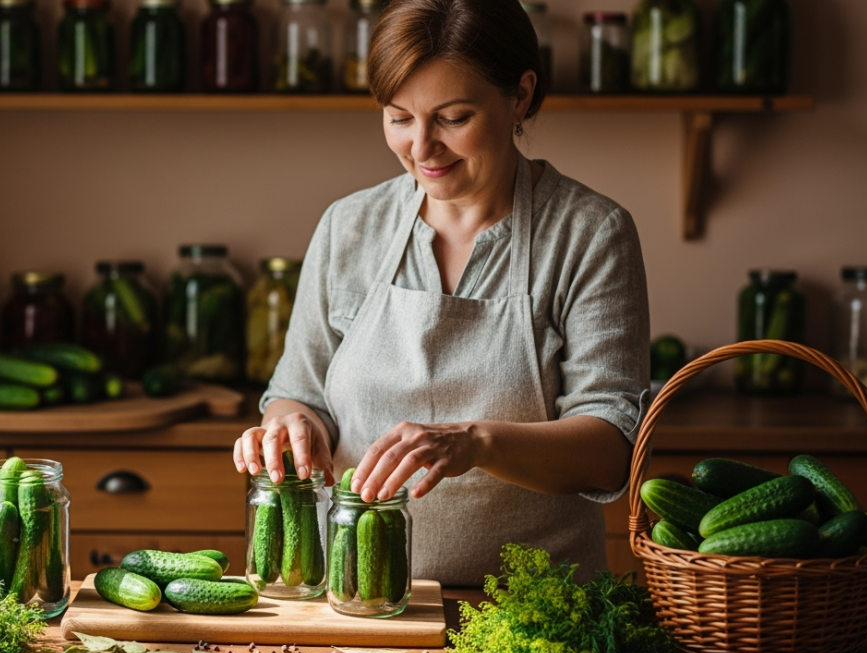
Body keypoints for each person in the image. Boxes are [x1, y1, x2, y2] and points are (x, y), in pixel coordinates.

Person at [232, 0, 649, 585]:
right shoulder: (349, 226)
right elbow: (299, 393)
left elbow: (611, 446)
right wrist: (292, 425)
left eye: (452, 117)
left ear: (521, 96)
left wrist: (474, 442)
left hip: (532, 614)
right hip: (360, 601)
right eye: (399, 117)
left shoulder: (590, 233)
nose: (421, 147)